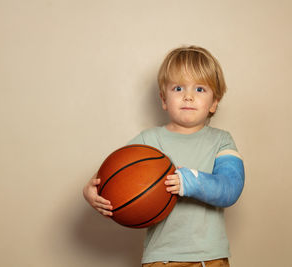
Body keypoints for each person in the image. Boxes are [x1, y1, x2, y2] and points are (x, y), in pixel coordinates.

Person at [83, 45, 245, 267]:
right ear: (163, 99)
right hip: (161, 258)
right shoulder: (148, 141)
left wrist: (188, 181)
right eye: (178, 88)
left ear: (214, 103)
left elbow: (230, 188)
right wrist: (92, 190)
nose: (188, 97)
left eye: (200, 89)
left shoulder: (221, 140)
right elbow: (114, 175)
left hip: (210, 257)